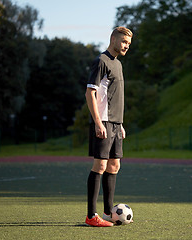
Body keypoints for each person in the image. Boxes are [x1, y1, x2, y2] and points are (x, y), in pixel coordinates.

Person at [84, 26, 132, 227]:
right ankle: (91, 216)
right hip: (102, 122)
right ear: (113, 39)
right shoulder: (101, 61)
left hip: (115, 124)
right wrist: (97, 122)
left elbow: (115, 97)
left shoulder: (118, 65)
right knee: (100, 165)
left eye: (128, 44)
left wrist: (120, 124)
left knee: (114, 165)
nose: (126, 46)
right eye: (123, 42)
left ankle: (108, 212)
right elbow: (90, 93)